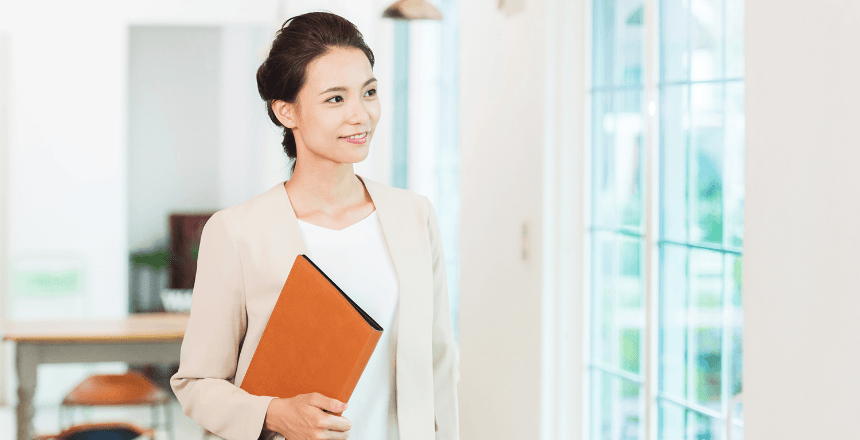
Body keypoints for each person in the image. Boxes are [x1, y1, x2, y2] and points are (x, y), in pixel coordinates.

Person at [169, 11, 460, 440]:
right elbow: (196, 384)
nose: (360, 115)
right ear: (287, 112)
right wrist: (272, 413)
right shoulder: (236, 232)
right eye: (336, 99)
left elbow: (438, 363)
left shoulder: (414, 216)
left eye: (369, 92)